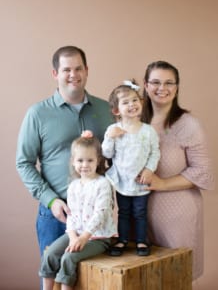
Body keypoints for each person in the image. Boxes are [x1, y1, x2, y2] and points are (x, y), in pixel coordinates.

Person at [16, 46, 113, 257]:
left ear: (87, 70)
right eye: (67, 70)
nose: (73, 75)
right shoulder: (38, 114)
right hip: (57, 213)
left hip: (97, 217)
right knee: (54, 278)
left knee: (96, 282)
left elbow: (117, 157)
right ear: (55, 74)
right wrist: (51, 200)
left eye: (78, 69)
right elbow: (24, 163)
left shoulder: (106, 110)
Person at [142, 60, 214, 280]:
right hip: (140, 213)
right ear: (145, 86)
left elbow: (202, 170)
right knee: (144, 277)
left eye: (168, 83)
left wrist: (162, 183)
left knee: (175, 277)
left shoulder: (188, 125)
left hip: (177, 215)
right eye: (155, 82)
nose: (161, 88)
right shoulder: (134, 122)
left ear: (177, 87)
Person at [39, 131, 117, 290]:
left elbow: (100, 215)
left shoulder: (102, 184)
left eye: (90, 160)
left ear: (98, 161)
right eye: (80, 160)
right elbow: (71, 215)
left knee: (68, 258)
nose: (85, 165)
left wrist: (83, 238)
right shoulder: (73, 186)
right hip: (77, 234)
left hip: (98, 237)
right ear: (73, 162)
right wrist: (73, 237)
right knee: (50, 254)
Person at [102, 80, 160, 256]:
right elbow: (106, 154)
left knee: (140, 213)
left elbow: (155, 153)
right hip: (122, 180)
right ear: (116, 110)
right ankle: (122, 240)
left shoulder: (148, 131)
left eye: (135, 100)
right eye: (125, 102)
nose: (132, 105)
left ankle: (142, 241)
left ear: (141, 103)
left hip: (140, 180)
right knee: (124, 212)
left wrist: (149, 170)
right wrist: (110, 138)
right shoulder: (113, 129)